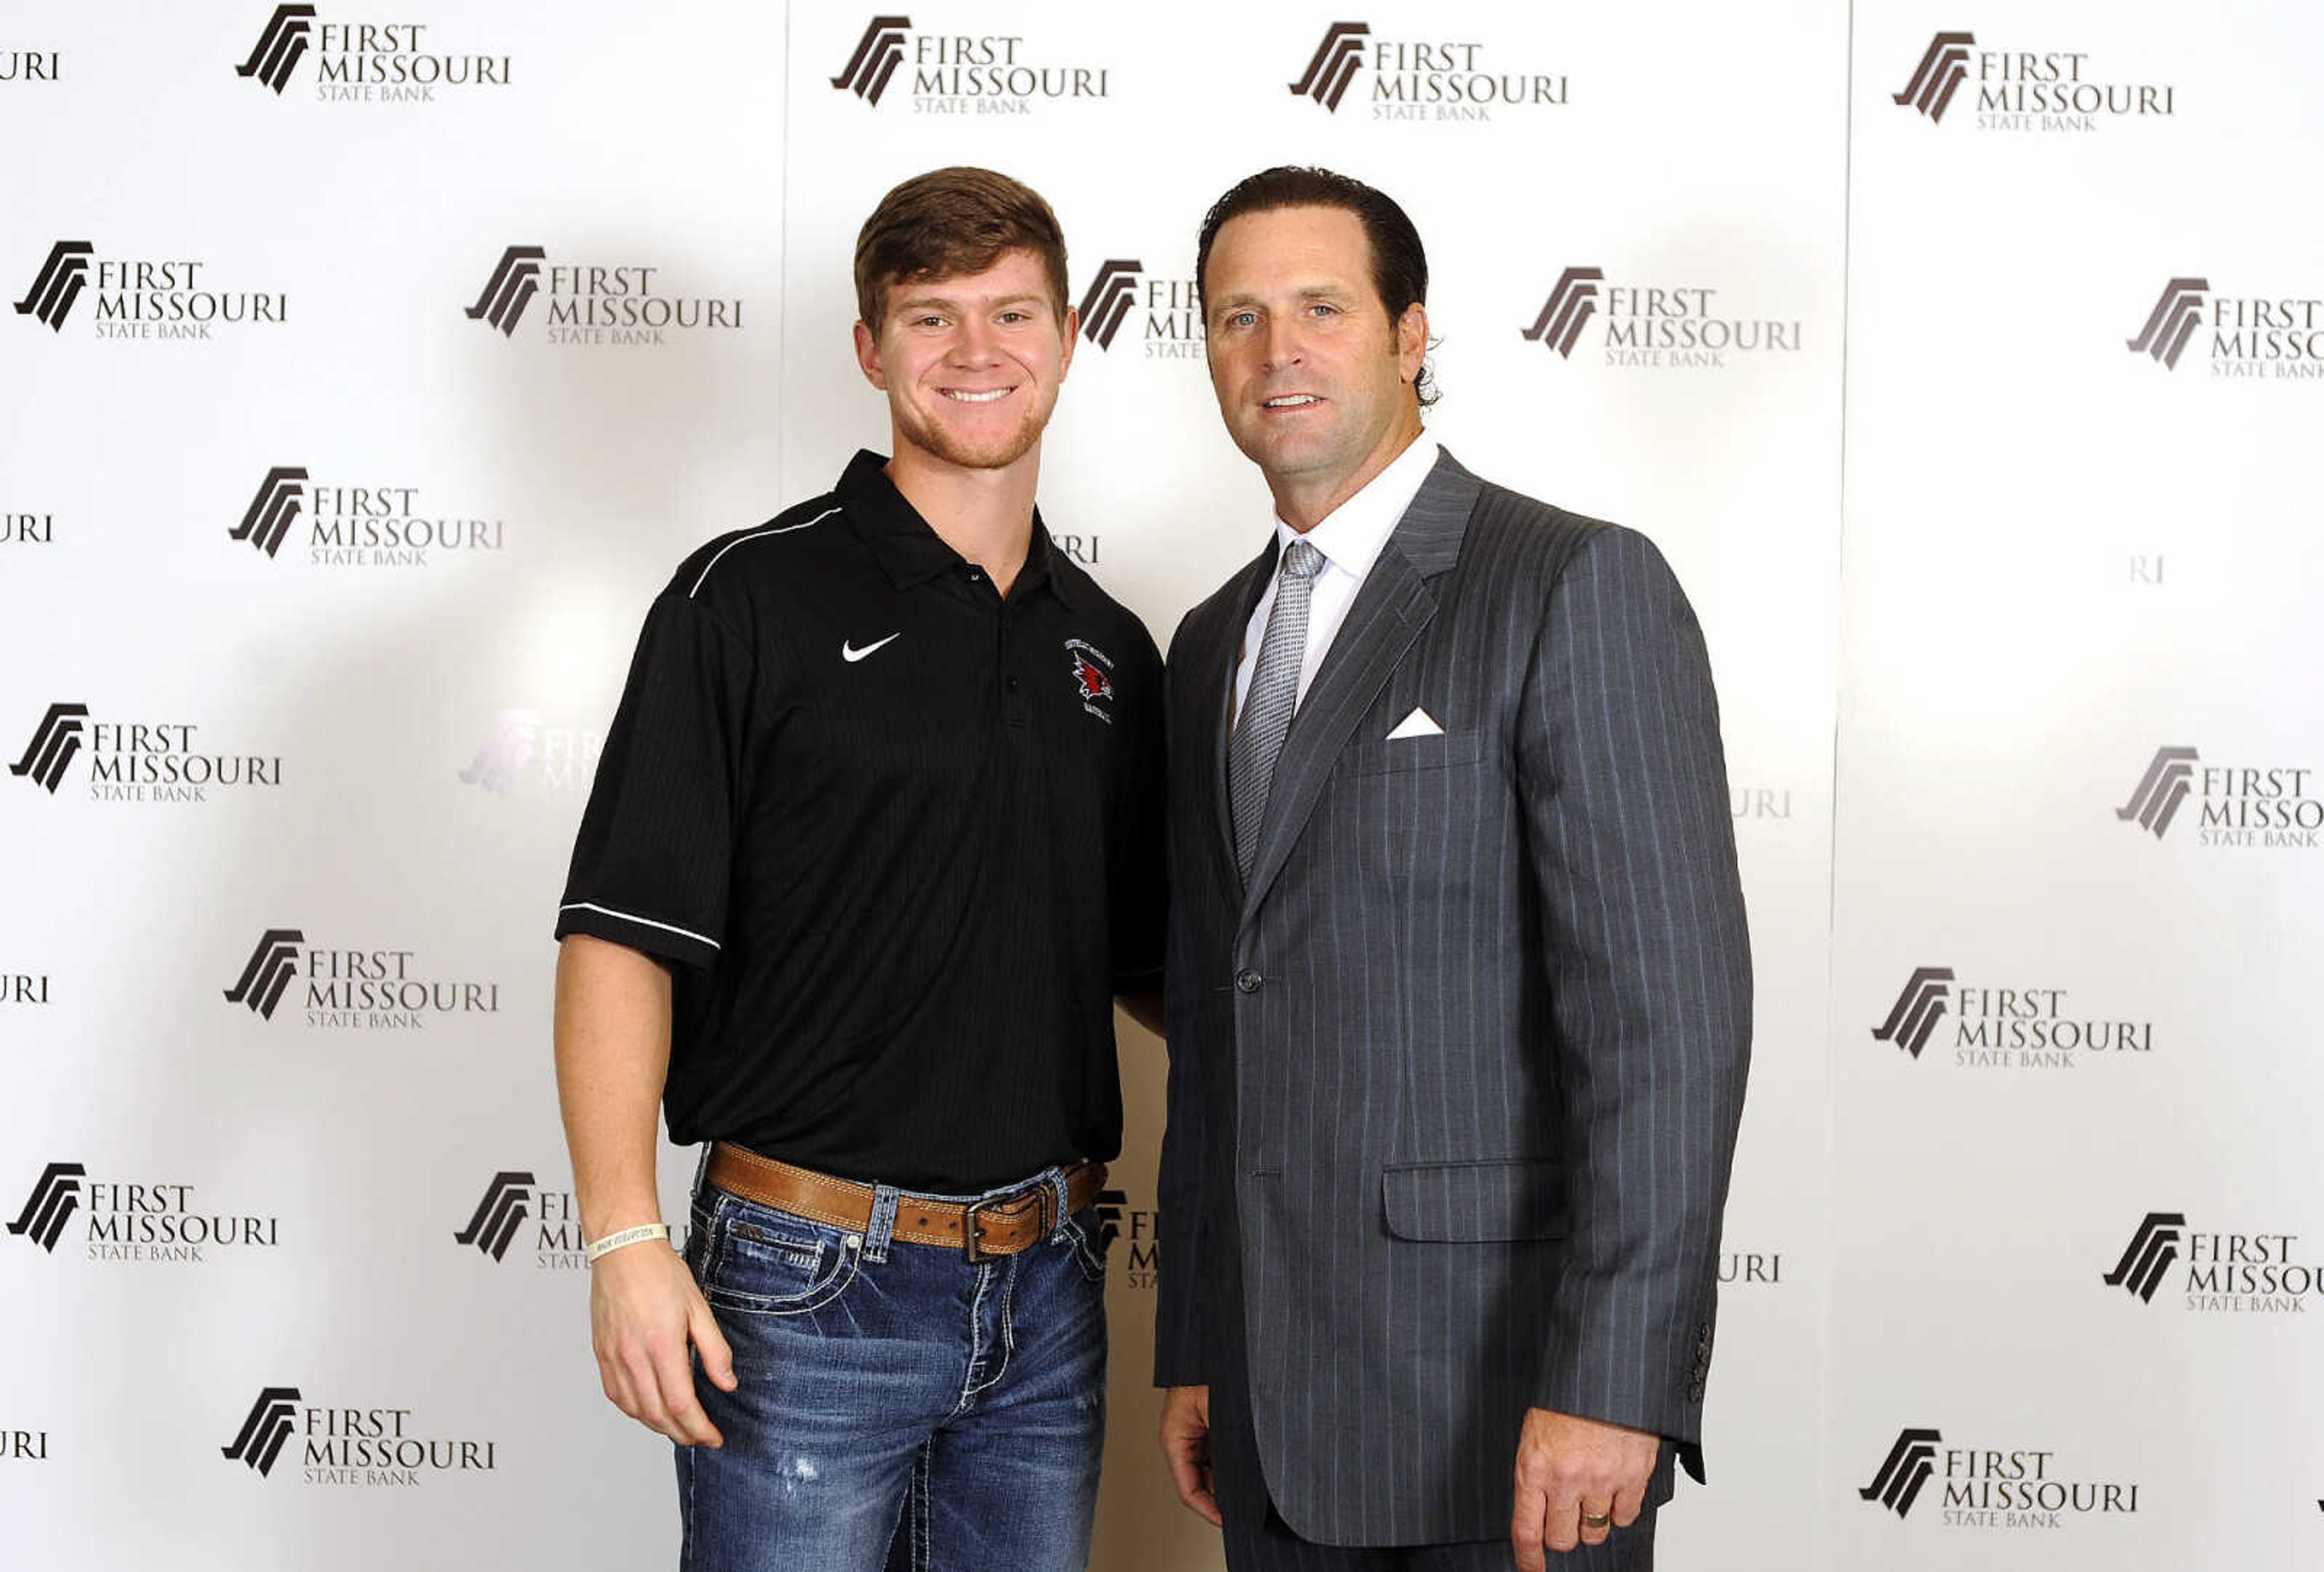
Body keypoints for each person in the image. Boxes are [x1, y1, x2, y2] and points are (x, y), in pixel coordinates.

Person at [551, 165, 1164, 1572]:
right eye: (932, 317)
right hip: (803, 1280)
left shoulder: (1114, 651)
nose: (977, 352)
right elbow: (619, 942)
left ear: (1069, 338)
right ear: (870, 348)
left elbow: (1159, 970)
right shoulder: (749, 598)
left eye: (1012, 313)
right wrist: (620, 1240)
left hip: (1055, 1286)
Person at [1153, 166, 1752, 1571]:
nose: (1276, 351)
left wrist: (1617, 1379)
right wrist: (1198, 1340)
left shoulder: (1571, 584)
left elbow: (1668, 1028)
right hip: (1269, 1413)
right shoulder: (1206, 645)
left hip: (1507, 1415)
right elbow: (1218, 1017)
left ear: (1412, 333)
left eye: (1320, 307)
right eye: (1237, 318)